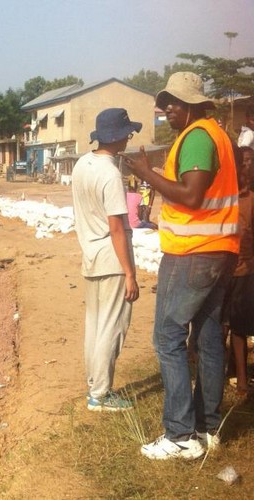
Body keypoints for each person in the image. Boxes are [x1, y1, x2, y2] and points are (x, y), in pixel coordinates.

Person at [126, 72, 239, 460]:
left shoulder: (196, 139)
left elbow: (191, 197)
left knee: (167, 337)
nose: (166, 108)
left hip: (193, 252)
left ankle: (179, 435)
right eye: (165, 101)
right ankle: (208, 426)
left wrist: (146, 175)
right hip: (218, 250)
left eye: (174, 101)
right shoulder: (218, 135)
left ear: (193, 104)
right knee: (207, 338)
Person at [72, 108, 140, 413]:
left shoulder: (82, 165)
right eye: (127, 132)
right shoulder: (111, 174)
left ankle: (94, 386)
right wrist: (130, 273)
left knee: (95, 326)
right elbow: (116, 228)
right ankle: (100, 394)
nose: (129, 136)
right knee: (112, 328)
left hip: (90, 255)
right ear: (119, 136)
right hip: (112, 259)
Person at [224, 145, 254, 397]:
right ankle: (220, 372)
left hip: (244, 272)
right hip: (221, 270)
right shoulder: (222, 197)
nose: (245, 167)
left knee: (239, 327)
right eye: (241, 163)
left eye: (249, 163)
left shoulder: (251, 200)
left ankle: (242, 380)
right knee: (218, 326)